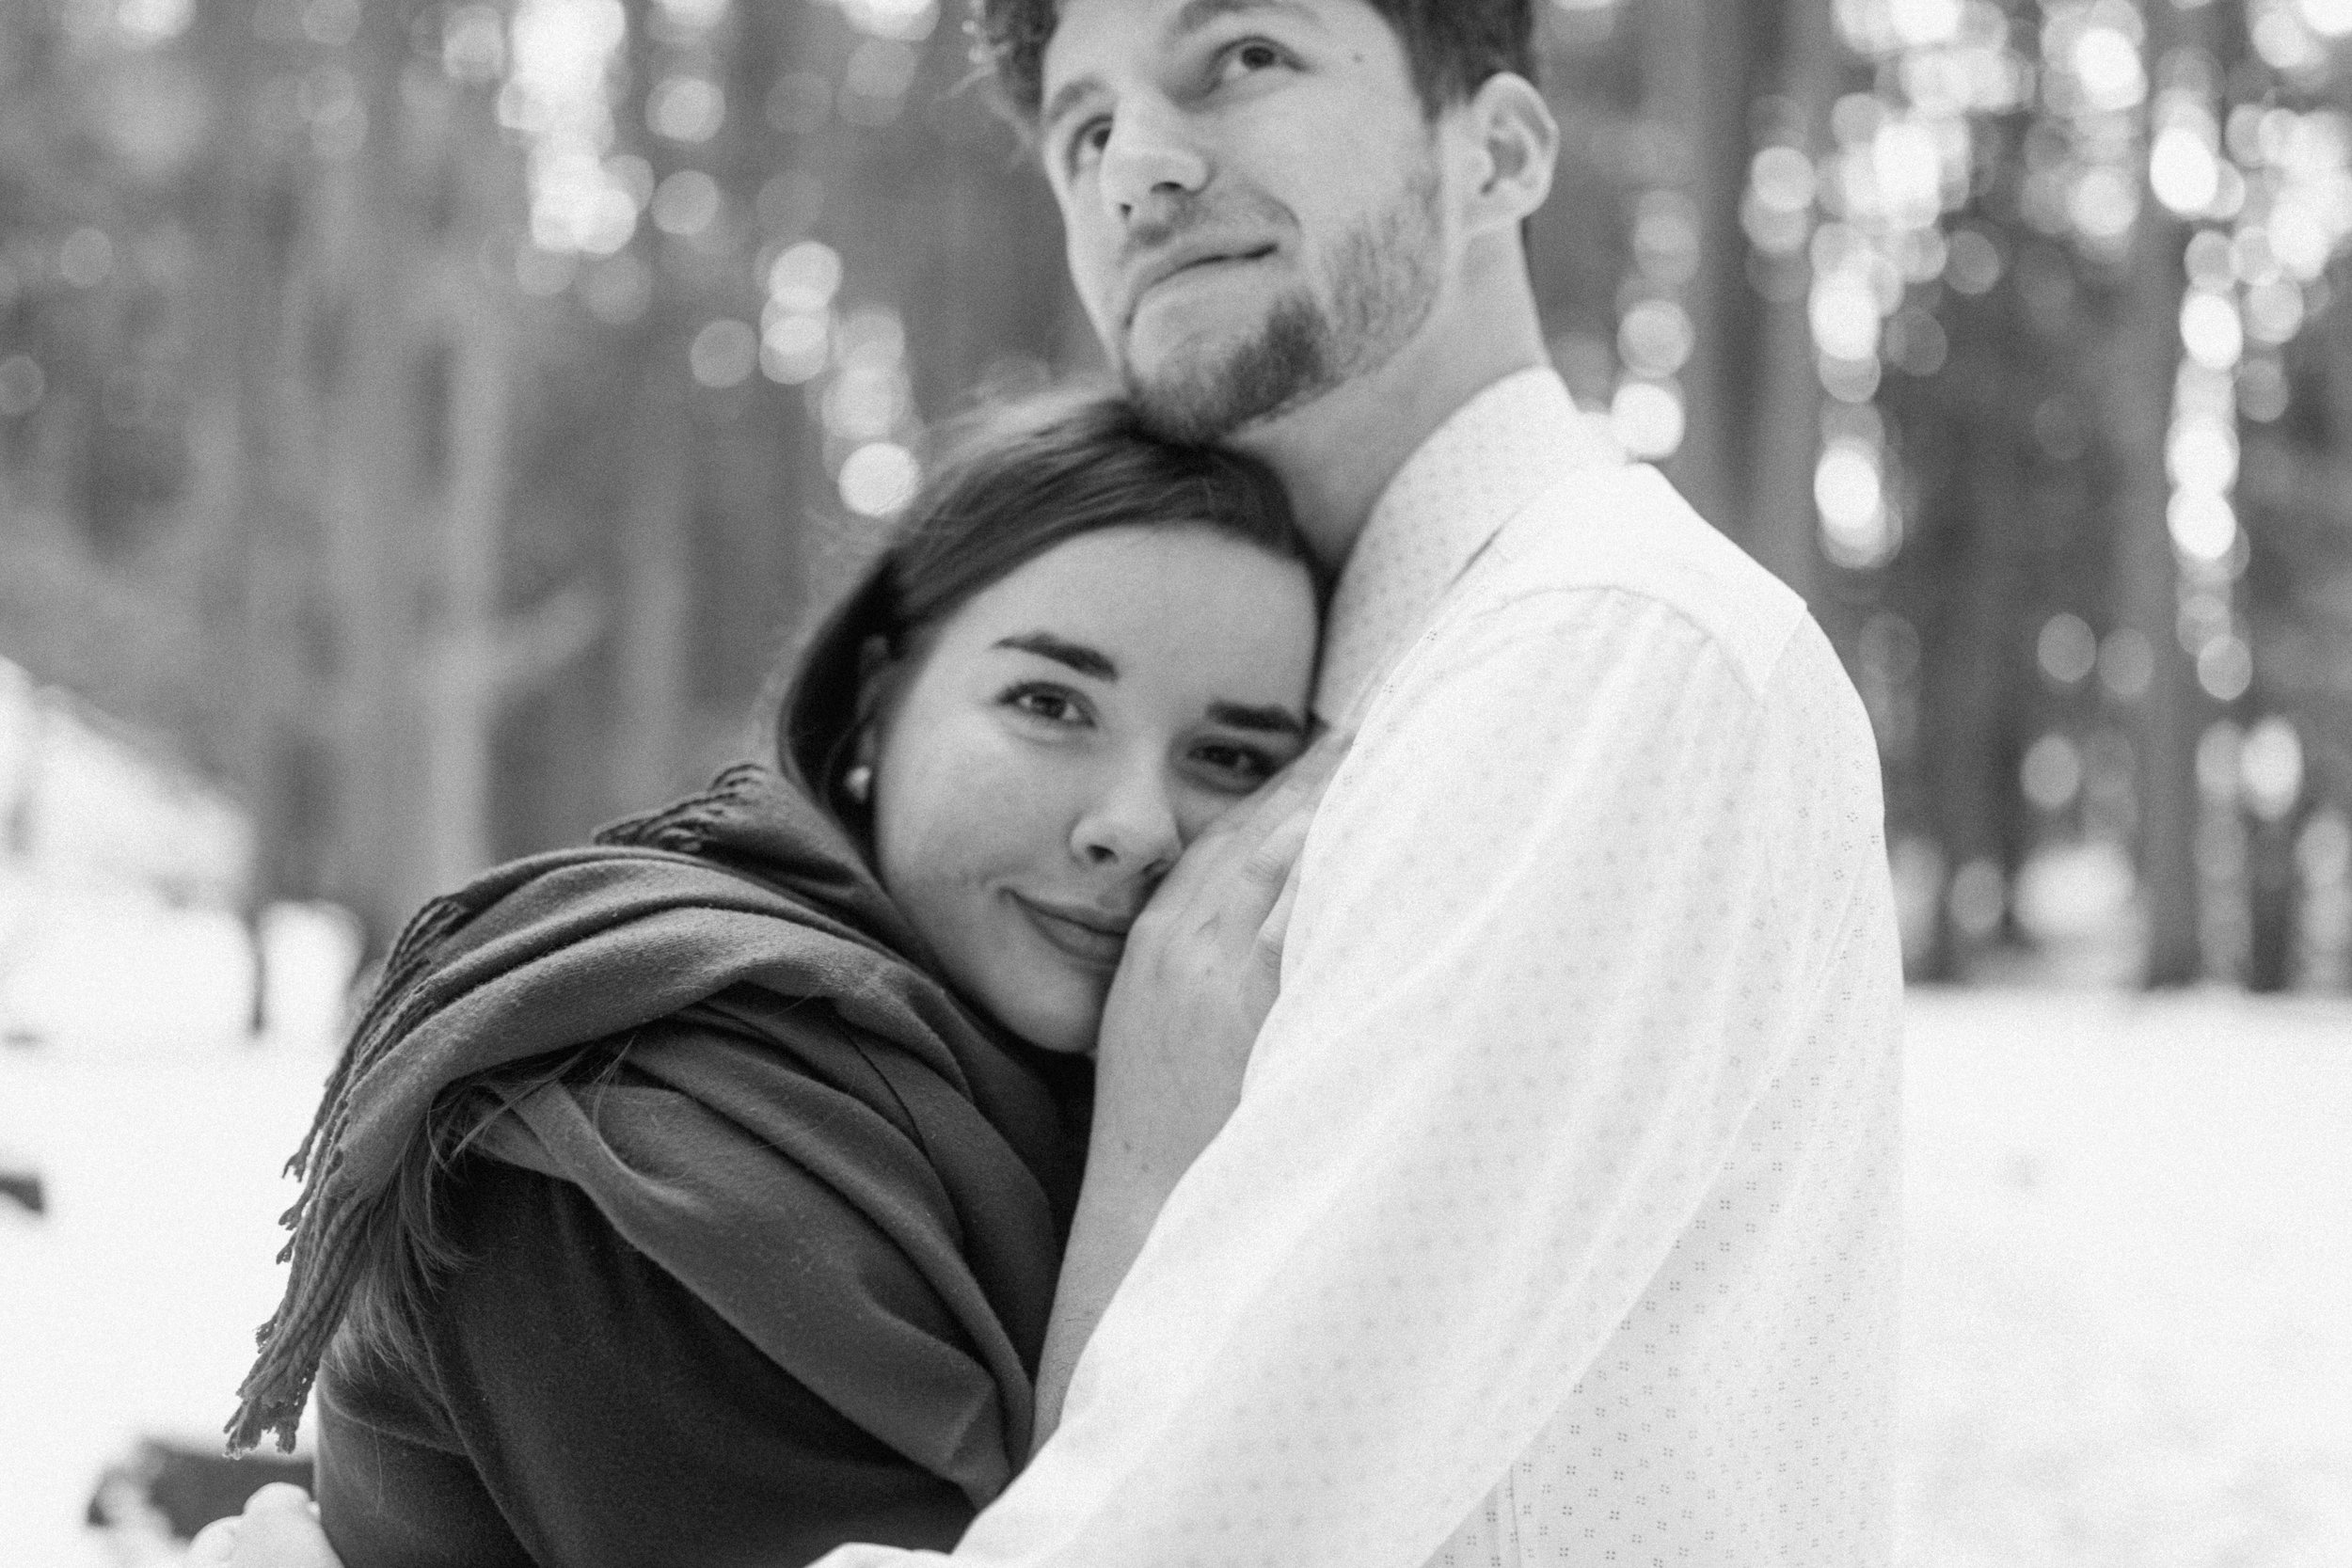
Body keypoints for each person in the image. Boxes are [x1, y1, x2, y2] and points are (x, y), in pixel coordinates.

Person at [208, 0, 1905, 1563]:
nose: (1138, 168)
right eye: (1085, 126)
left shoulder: (1591, 659)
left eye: (1242, 56)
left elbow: (1202, 1527)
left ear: (1502, 149)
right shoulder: (1382, 685)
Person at [216, 393, 1332, 1568]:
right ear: (876, 707)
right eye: (1050, 704)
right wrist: (1150, 1172)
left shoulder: (1049, 1099)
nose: (1137, 825)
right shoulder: (649, 1144)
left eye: (1229, 756)